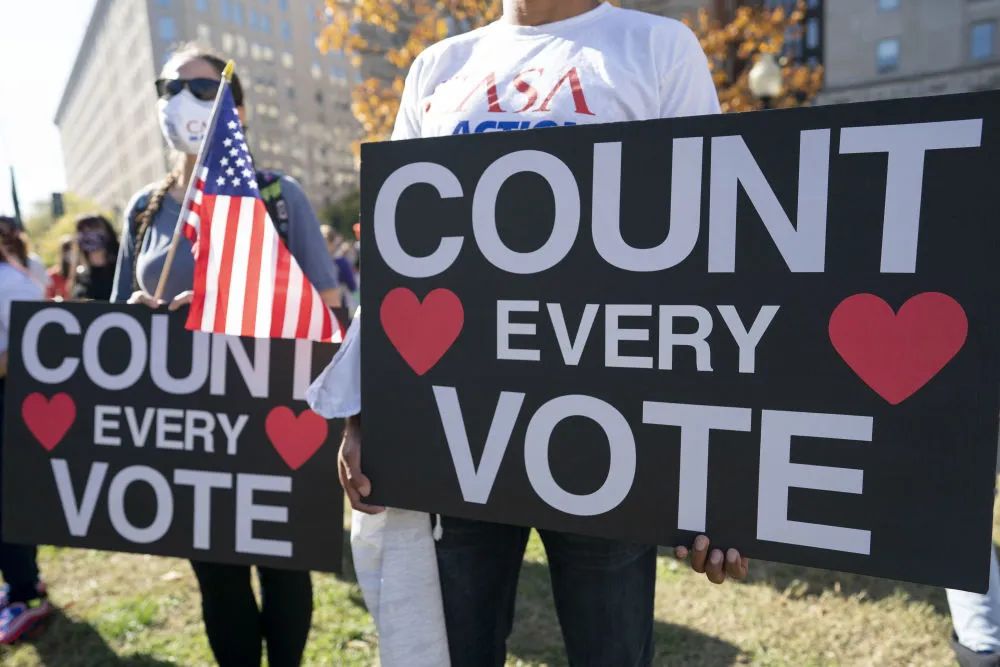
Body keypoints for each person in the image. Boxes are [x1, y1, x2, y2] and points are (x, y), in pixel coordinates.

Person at [308, 1, 749, 665]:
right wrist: (366, 410)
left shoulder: (658, 47)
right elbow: (404, 257)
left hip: (608, 427)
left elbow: (709, 256)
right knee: (454, 649)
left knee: (611, 651)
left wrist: (721, 476)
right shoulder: (438, 67)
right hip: (459, 427)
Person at [111, 43, 340, 667]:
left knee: (284, 568)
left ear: (235, 108)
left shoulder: (276, 194)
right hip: (188, 424)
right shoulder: (143, 209)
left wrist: (227, 304)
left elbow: (324, 304)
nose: (181, 99)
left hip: (270, 413)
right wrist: (143, 310)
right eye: (169, 87)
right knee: (217, 576)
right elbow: (118, 317)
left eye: (204, 89)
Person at [0, 220, 51, 644]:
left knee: (8, 502)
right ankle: (20, 583)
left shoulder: (10, 281)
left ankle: (25, 594)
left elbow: (35, 344)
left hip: (10, 399)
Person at [71, 214, 118, 301]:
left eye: (93, 229)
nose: (88, 235)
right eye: (82, 230)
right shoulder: (81, 273)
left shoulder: (122, 269)